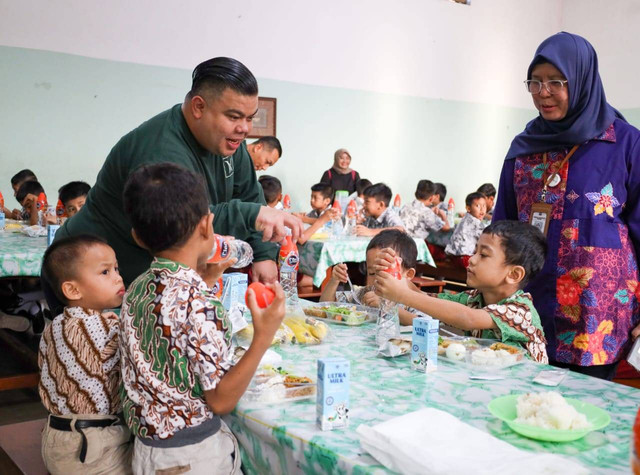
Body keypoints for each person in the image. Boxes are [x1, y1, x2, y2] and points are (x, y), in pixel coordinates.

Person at [53, 56, 303, 287]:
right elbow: (182, 225)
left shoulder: (231, 144)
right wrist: (253, 215)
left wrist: (263, 255)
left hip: (161, 276)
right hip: (94, 273)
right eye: (234, 116)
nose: (244, 128)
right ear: (198, 107)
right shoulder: (160, 149)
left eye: (250, 118)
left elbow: (252, 197)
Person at [492, 32, 640, 380]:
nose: (543, 93)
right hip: (530, 308)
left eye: (555, 82)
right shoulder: (525, 147)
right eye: (535, 82)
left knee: (585, 417)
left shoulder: (625, 143)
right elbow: (503, 227)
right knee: (522, 405)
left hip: (597, 315)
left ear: (582, 79)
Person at [120, 163, 285, 474]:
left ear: (137, 238)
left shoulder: (136, 287)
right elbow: (221, 400)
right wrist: (263, 336)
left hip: (146, 450)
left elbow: (170, 331)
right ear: (207, 226)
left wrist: (204, 282)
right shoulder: (200, 303)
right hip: (193, 456)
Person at [375, 221, 549, 362]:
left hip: (525, 388)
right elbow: (425, 299)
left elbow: (468, 318)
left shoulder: (521, 310)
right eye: (475, 251)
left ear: (514, 274)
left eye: (484, 255)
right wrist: (396, 272)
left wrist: (401, 294)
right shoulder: (474, 298)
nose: (471, 260)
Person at [39, 235, 131, 474]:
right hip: (93, 449)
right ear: (72, 289)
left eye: (116, 268)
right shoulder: (101, 330)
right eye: (105, 272)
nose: (118, 277)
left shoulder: (57, 324)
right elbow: (146, 350)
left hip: (58, 440)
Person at [321, 229, 424, 325]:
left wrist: (387, 307)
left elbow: (422, 323)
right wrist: (333, 281)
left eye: (385, 273)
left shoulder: (413, 299)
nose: (377, 280)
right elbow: (326, 306)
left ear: (408, 274)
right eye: (371, 273)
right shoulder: (364, 294)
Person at [445, 192, 487, 268]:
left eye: (484, 206)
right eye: (478, 206)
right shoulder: (476, 223)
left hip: (453, 257)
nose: (482, 209)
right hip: (465, 258)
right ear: (468, 208)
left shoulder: (464, 219)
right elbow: (486, 238)